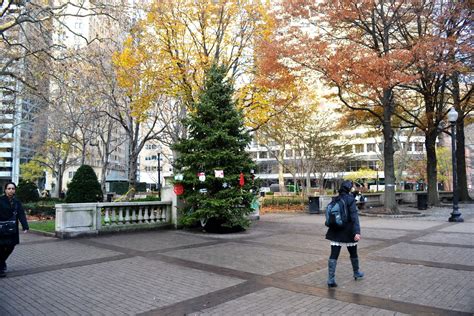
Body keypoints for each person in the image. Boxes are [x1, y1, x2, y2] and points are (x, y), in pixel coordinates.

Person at [325, 180, 364, 287]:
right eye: (352, 187)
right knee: (353, 253)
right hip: (348, 231)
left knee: (333, 255)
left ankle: (330, 279)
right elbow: (354, 217)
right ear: (349, 188)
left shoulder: (335, 198)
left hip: (335, 230)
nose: (353, 188)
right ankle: (356, 272)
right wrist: (357, 232)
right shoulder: (350, 199)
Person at [0, 182, 29, 277]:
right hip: (2, 229)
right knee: (1, 248)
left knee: (10, 247)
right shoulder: (1, 200)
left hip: (12, 229)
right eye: (9, 188)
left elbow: (21, 214)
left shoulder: (17, 202)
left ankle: (1, 262)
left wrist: (25, 226)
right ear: (5, 190)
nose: (11, 190)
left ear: (15, 190)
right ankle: (1, 268)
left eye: (13, 188)